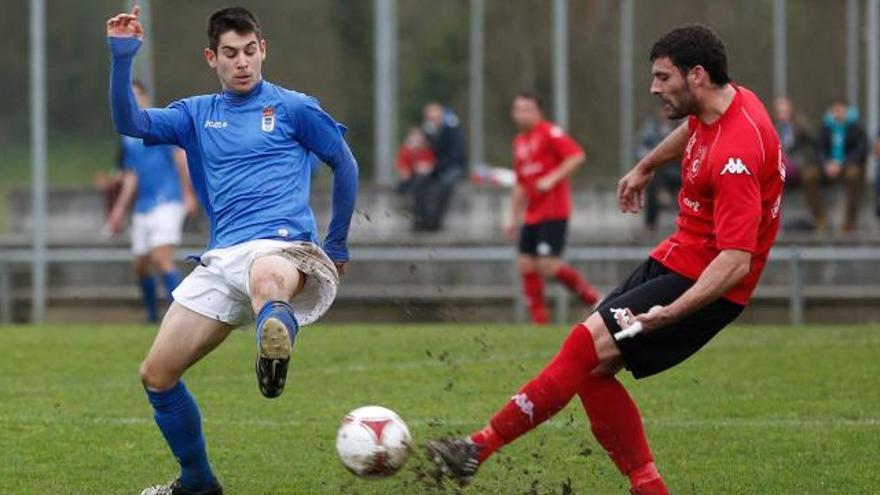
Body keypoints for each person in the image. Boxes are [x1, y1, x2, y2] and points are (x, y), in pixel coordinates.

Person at [427, 24, 784, 495]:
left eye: (662, 77)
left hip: (706, 280)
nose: (654, 88)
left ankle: (477, 447)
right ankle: (647, 487)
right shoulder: (723, 101)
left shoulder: (738, 152)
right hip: (678, 256)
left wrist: (672, 313)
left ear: (696, 75)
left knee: (583, 347)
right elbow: (693, 130)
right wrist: (646, 166)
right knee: (592, 368)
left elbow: (736, 261)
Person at [106, 6, 358, 495]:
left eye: (249, 51)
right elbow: (129, 121)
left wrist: (338, 242)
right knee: (156, 374)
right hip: (221, 260)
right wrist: (122, 56)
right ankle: (198, 483)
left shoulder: (294, 108)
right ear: (211, 58)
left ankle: (273, 350)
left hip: (284, 248)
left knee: (267, 278)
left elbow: (343, 164)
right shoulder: (194, 114)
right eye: (230, 54)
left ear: (263, 50)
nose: (242, 62)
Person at [105, 81, 198, 323]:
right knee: (141, 266)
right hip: (143, 206)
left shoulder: (159, 124)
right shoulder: (128, 138)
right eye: (129, 96)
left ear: (146, 98)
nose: (133, 101)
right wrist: (118, 209)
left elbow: (180, 158)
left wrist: (189, 193)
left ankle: (181, 317)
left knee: (161, 258)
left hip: (168, 201)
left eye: (137, 95)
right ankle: (151, 318)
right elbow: (131, 177)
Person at [505, 92, 601, 324]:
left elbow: (576, 156)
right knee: (525, 263)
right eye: (519, 110)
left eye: (528, 109)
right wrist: (512, 217)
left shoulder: (549, 133)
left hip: (554, 211)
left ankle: (593, 298)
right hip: (532, 214)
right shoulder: (519, 143)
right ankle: (540, 323)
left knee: (548, 266)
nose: (523, 114)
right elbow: (519, 183)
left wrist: (552, 178)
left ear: (539, 112)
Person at [803, 96, 867, 232]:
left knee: (853, 175)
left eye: (841, 109)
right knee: (809, 175)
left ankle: (848, 222)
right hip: (827, 167)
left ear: (847, 110)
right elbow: (818, 149)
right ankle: (820, 217)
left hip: (847, 165)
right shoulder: (825, 128)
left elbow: (861, 150)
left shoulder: (856, 127)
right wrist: (826, 164)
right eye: (835, 109)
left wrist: (842, 164)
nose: (838, 112)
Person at [413, 102, 466, 231]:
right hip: (435, 167)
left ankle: (434, 222)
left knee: (445, 184)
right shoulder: (428, 133)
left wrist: (433, 167)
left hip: (450, 167)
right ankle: (420, 221)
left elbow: (455, 156)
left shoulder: (452, 131)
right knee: (418, 183)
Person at [636, 105, 682, 233]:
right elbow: (640, 150)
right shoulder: (651, 128)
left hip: (678, 170)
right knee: (652, 182)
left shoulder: (681, 128)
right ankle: (650, 224)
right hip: (659, 172)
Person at [395, 126, 435, 194]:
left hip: (422, 177)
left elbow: (429, 164)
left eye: (418, 139)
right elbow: (401, 163)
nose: (416, 141)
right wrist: (404, 170)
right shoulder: (405, 150)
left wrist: (424, 168)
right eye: (414, 139)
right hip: (409, 176)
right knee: (401, 186)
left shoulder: (426, 150)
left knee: (419, 183)